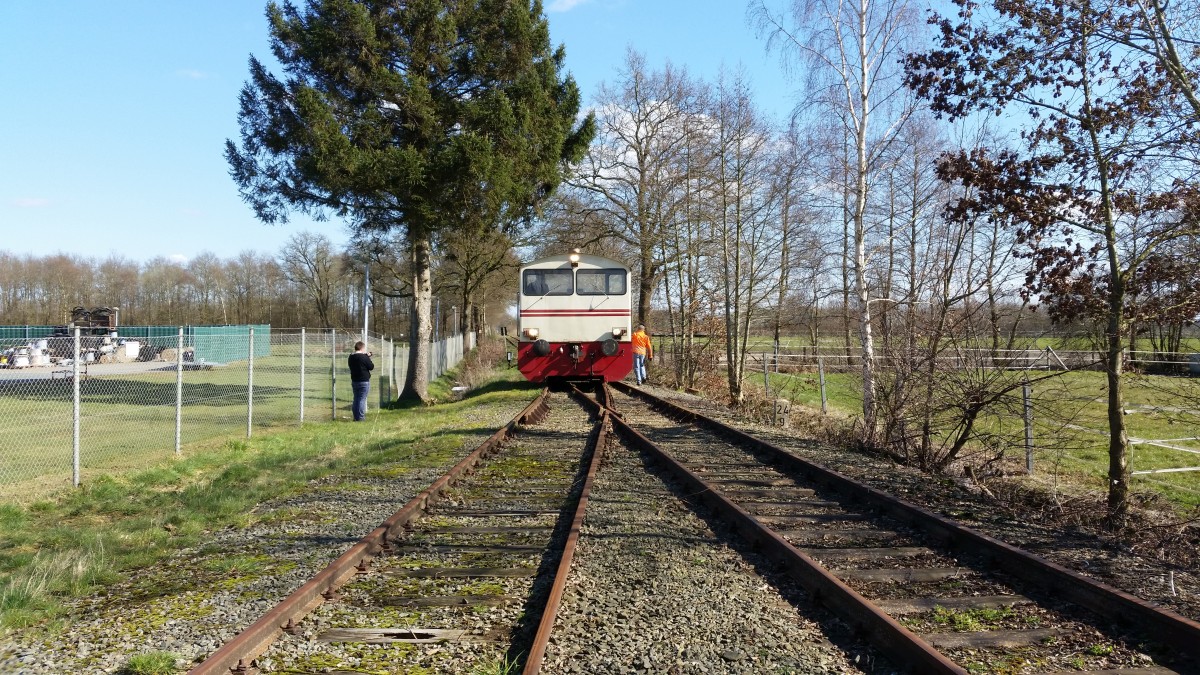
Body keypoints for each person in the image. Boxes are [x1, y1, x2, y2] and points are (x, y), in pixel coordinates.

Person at [348, 341, 374, 421]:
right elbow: (371, 366)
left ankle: (356, 417)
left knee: (356, 399)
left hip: (355, 380)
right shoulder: (364, 357)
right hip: (364, 381)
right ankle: (361, 417)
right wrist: (368, 357)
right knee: (362, 399)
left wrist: (366, 356)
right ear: (362, 348)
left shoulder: (351, 357)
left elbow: (358, 359)